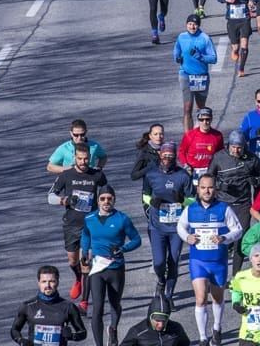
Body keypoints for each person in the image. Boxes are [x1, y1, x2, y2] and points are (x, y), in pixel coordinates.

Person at [177, 175, 244, 346]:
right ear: (198, 189)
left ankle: (217, 327)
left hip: (218, 262)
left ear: (215, 189)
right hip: (198, 261)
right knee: (200, 298)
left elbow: (238, 230)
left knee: (217, 298)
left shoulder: (224, 209)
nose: (207, 191)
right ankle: (202, 338)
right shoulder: (190, 209)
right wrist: (187, 237)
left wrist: (224, 238)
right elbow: (180, 227)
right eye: (203, 187)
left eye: (210, 187)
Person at [79, 185, 142, 346]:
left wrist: (123, 249)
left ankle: (113, 329)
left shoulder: (122, 219)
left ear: (114, 200)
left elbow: (136, 240)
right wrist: (85, 252)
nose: (106, 202)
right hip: (97, 268)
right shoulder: (89, 218)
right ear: (98, 201)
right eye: (103, 199)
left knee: (115, 304)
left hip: (116, 268)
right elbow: (86, 235)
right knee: (97, 309)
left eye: (109, 199)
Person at [49, 143, 109, 307]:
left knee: (86, 263)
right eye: (80, 159)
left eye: (86, 159)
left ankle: (84, 301)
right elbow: (50, 196)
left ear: (90, 158)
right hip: (71, 225)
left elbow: (106, 194)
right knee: (72, 261)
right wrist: (64, 200)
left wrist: (105, 208)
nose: (83, 162)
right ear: (75, 158)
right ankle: (77, 279)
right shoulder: (66, 175)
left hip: (90, 225)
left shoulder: (97, 175)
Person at [207, 131, 260, 276]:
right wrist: (220, 186)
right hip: (222, 204)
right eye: (233, 147)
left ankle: (236, 275)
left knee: (240, 238)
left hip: (243, 204)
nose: (236, 150)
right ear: (229, 145)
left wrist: (256, 181)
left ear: (244, 146)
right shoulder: (219, 157)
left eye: (239, 147)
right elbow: (208, 178)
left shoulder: (251, 158)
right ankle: (215, 273)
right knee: (219, 239)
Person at [142, 144, 196, 302]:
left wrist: (182, 200)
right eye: (165, 156)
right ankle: (160, 280)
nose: (167, 159)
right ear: (160, 156)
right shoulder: (151, 174)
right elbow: (145, 194)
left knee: (173, 262)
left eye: (170, 157)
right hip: (157, 225)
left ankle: (168, 295)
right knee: (159, 262)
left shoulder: (183, 175)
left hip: (176, 228)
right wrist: (152, 202)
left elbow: (192, 200)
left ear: (175, 157)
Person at [10, 266, 87, 346]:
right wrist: (20, 340)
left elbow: (83, 332)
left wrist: (72, 336)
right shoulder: (28, 306)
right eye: (44, 281)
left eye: (52, 281)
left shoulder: (68, 307)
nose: (48, 285)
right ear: (39, 283)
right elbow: (14, 329)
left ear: (57, 282)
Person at [174, 15, 218, 132]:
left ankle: (200, 135)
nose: (192, 27)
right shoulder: (181, 37)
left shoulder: (205, 38)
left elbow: (213, 58)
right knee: (187, 108)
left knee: (200, 109)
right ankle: (188, 137)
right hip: (185, 75)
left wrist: (201, 57)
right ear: (186, 25)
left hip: (200, 76)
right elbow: (177, 50)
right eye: (189, 24)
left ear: (198, 25)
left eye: (194, 24)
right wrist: (177, 57)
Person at [217, 0, 258, 78]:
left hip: (245, 19)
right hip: (232, 20)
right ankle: (235, 51)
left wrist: (252, 2)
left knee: (244, 44)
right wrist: (227, 0)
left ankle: (241, 68)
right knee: (236, 46)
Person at [118, 296, 190, 346]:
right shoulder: (137, 332)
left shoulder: (176, 328)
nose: (161, 324)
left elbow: (185, 343)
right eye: (157, 320)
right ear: (150, 317)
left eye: (164, 320)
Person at [179, 108, 225, 187]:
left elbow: (221, 153)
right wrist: (186, 166)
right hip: (194, 171)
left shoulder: (218, 135)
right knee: (194, 195)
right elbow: (181, 152)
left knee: (209, 195)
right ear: (198, 120)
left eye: (207, 119)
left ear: (211, 119)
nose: (205, 122)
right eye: (201, 119)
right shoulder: (189, 135)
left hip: (210, 171)